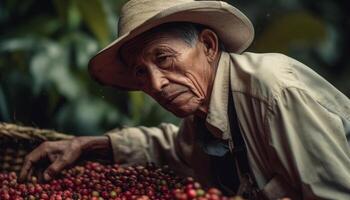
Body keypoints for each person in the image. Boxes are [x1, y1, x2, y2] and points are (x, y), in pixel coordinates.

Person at [19, 0, 350, 199]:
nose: (156, 84)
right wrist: (92, 145)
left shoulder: (274, 94)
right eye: (140, 73)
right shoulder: (207, 112)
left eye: (163, 59)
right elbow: (176, 150)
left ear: (208, 46)